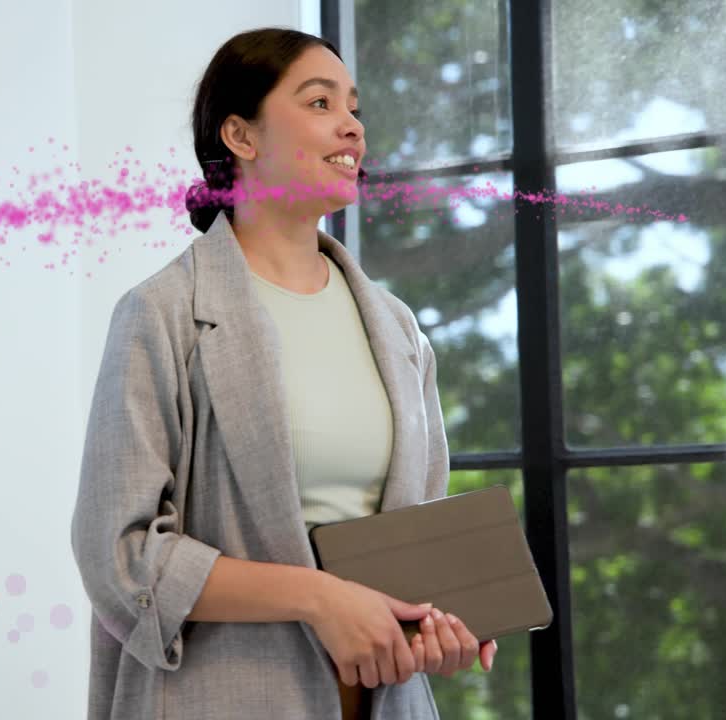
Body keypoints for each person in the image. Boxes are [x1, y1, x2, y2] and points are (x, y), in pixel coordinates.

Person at [70, 27, 498, 719]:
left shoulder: (397, 329)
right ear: (241, 136)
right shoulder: (161, 314)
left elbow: (414, 541)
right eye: (320, 102)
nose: (352, 125)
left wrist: (433, 625)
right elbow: (120, 558)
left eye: (353, 106)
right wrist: (318, 596)